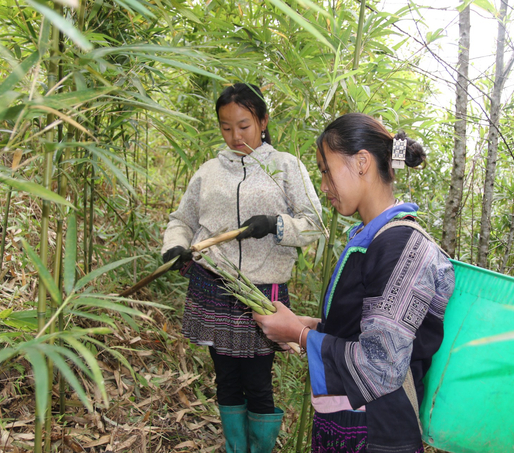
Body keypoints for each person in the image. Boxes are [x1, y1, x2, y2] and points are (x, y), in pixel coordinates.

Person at [254, 113, 455, 452]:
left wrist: (300, 335)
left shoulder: (400, 245)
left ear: (362, 162)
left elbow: (381, 363)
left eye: (325, 170)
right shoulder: (370, 238)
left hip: (379, 435)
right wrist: (304, 327)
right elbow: (363, 330)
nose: (323, 184)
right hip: (350, 425)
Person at [161, 83, 322, 452]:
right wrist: (175, 247)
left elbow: (313, 223)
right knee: (226, 379)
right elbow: (182, 220)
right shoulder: (208, 171)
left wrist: (276, 224)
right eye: (226, 127)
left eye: (244, 125)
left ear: (263, 122)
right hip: (211, 285)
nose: (235, 136)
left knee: (259, 382)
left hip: (260, 292)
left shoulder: (285, 166)